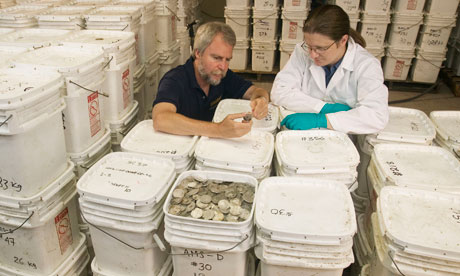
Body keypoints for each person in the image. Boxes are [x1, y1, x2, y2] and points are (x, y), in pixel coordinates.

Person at [271, 4, 389, 134]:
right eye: (309, 46)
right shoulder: (302, 52)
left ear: (343, 40)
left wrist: (322, 120)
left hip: (341, 138)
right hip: (300, 133)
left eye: (321, 48)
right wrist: (322, 107)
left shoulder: (366, 65)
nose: (312, 54)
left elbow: (376, 116)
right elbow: (280, 91)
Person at [152, 21, 269, 138]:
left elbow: (255, 91)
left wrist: (261, 100)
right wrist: (218, 130)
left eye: (227, 59)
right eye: (216, 58)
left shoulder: (223, 76)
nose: (223, 67)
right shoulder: (174, 80)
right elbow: (160, 119)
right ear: (198, 53)